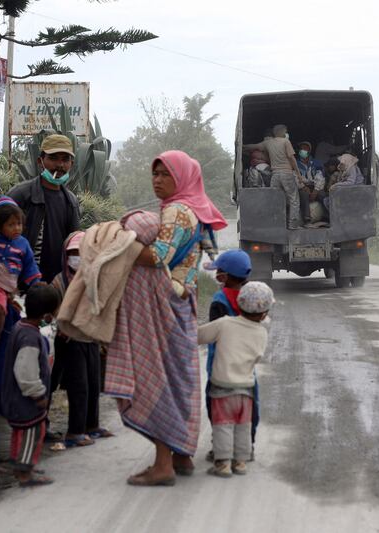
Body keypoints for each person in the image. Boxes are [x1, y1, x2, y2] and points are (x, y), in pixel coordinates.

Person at [106, 151, 227, 487]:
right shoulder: (199, 209)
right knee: (179, 380)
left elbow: (157, 257)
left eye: (165, 174)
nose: (156, 180)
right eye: (154, 173)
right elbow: (209, 257)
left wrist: (119, 241)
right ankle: (181, 455)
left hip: (162, 307)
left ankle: (162, 466)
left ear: (182, 177)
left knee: (157, 380)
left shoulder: (176, 210)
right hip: (182, 304)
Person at [197, 281, 274, 477]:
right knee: (243, 425)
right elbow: (258, 356)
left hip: (222, 387)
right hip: (247, 388)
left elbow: (200, 336)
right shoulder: (261, 332)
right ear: (264, 313)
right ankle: (240, 462)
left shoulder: (224, 324)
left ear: (238, 304)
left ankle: (222, 463)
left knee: (223, 424)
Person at [50, 231, 112, 448]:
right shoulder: (59, 282)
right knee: (79, 386)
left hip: (91, 339)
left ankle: (92, 426)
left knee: (94, 384)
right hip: (71, 342)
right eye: (72, 253)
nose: (77, 257)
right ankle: (75, 431)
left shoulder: (93, 278)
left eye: (81, 252)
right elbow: (53, 311)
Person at [201, 249, 262, 463]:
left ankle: (221, 449)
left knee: (217, 407)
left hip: (219, 367)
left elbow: (213, 334)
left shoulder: (219, 300)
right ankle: (247, 448)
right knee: (250, 407)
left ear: (223, 277)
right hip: (245, 367)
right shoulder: (253, 298)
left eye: (218, 271)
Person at [1, 285, 60, 487]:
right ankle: (25, 472)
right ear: (47, 315)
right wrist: (38, 394)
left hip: (15, 397)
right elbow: (25, 371)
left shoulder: (21, 327)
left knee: (20, 432)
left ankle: (21, 465)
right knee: (31, 432)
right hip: (25, 399)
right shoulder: (30, 337)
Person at [8, 134, 82, 284]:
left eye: (65, 159)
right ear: (40, 161)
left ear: (71, 164)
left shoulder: (71, 201)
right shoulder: (21, 194)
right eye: (54, 158)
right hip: (22, 282)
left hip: (56, 285)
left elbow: (74, 244)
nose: (60, 165)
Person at [0, 196, 42, 357]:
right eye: (11, 225)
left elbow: (30, 265)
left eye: (19, 223)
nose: (17, 228)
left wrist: (36, 284)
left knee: (10, 312)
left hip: (10, 288)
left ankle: (1, 340)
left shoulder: (23, 243)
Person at [243, 124, 304, 229]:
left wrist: (242, 146)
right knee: (294, 199)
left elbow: (254, 146)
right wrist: (298, 174)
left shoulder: (268, 143)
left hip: (275, 175)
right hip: (286, 174)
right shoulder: (286, 142)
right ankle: (293, 225)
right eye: (285, 131)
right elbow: (292, 159)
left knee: (275, 199)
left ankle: (276, 223)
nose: (286, 133)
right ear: (282, 132)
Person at [296, 141, 326, 226]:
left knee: (322, 195)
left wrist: (316, 191)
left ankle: (327, 216)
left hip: (315, 186)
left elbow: (320, 178)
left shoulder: (317, 163)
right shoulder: (295, 163)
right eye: (301, 148)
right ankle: (307, 219)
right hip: (302, 187)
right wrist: (303, 187)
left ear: (309, 151)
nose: (303, 150)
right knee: (304, 195)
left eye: (305, 148)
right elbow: (294, 178)